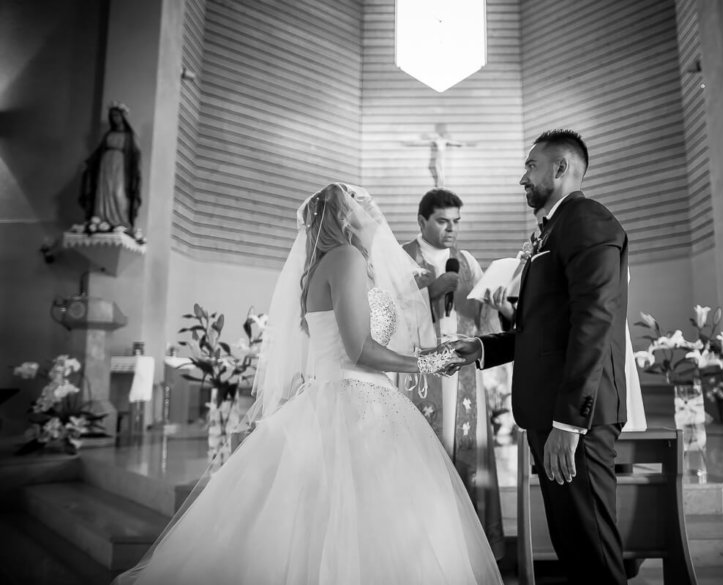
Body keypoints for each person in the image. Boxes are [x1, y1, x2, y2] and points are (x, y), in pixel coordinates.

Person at [115, 183, 503, 585]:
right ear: (347, 218)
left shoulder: (335, 263)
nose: (377, 220)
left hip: (351, 397)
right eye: (366, 211)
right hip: (358, 402)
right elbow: (359, 350)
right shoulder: (347, 258)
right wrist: (430, 362)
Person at [450, 129, 630, 584]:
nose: (522, 178)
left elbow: (593, 324)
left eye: (531, 166)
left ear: (561, 168)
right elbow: (544, 330)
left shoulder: (588, 221)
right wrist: (485, 347)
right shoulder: (553, 228)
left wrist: (570, 424)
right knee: (572, 544)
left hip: (574, 421)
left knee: (592, 548)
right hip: (551, 415)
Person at [401, 188, 509, 558]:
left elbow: (487, 322)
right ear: (422, 221)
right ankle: (424, 550)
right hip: (418, 372)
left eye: (456, 222)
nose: (451, 229)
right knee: (424, 455)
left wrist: (501, 308)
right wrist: (429, 292)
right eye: (443, 221)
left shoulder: (467, 262)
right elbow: (385, 317)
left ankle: (468, 549)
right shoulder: (401, 259)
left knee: (465, 453)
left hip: (463, 374)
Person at [80, 102, 142, 232]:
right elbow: (99, 152)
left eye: (117, 115)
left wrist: (135, 170)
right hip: (105, 166)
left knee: (118, 192)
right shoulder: (108, 135)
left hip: (121, 167)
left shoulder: (129, 136)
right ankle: (101, 218)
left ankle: (120, 220)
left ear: (123, 117)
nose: (115, 118)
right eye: (113, 116)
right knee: (103, 192)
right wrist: (89, 163)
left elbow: (135, 154)